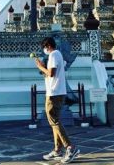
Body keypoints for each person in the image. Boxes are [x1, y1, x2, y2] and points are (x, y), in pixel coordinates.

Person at [34, 36, 80, 164]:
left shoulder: (54, 54)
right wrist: (44, 67)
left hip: (54, 93)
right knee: (55, 121)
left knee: (54, 120)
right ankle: (57, 149)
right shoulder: (57, 55)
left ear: (48, 46)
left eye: (44, 47)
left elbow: (51, 73)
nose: (44, 50)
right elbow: (50, 74)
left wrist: (40, 67)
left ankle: (70, 147)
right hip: (57, 92)